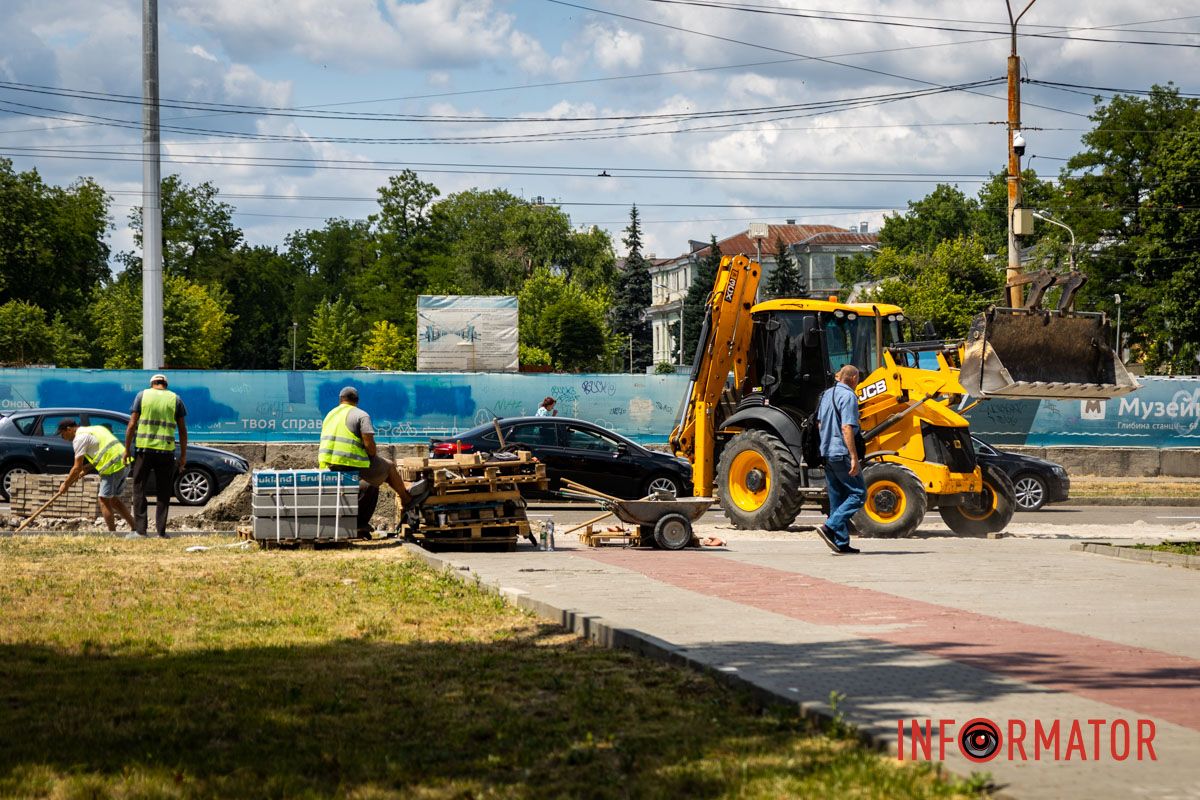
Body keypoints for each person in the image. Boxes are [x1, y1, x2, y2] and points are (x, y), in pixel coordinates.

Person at [318, 386, 413, 537]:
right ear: (357, 400)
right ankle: (407, 499)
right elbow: (369, 445)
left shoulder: (330, 415)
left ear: (341, 399)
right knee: (388, 467)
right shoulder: (360, 415)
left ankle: (357, 524)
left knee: (368, 485)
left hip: (328, 465)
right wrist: (372, 453)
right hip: (350, 463)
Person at [125, 373, 187, 539]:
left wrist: (126, 450)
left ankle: (140, 531)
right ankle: (161, 532)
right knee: (164, 491)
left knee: (139, 488)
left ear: (152, 383)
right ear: (165, 384)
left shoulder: (142, 395)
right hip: (166, 451)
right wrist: (183, 456)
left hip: (144, 450)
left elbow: (131, 425)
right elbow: (182, 429)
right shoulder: (175, 399)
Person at [815, 365, 865, 555]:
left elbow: (820, 424)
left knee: (837, 498)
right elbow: (847, 427)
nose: (858, 381)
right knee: (858, 494)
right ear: (852, 377)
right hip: (842, 452)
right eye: (858, 378)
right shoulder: (849, 396)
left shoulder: (827, 394)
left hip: (827, 451)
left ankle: (841, 542)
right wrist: (853, 456)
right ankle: (830, 526)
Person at [56, 419, 136, 533]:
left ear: (69, 429)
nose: (62, 437)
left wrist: (66, 484)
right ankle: (135, 526)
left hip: (112, 467)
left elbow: (76, 467)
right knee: (112, 499)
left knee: (103, 499)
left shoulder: (79, 438)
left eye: (62, 434)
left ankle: (112, 534)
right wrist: (87, 468)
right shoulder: (95, 429)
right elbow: (102, 452)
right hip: (123, 463)